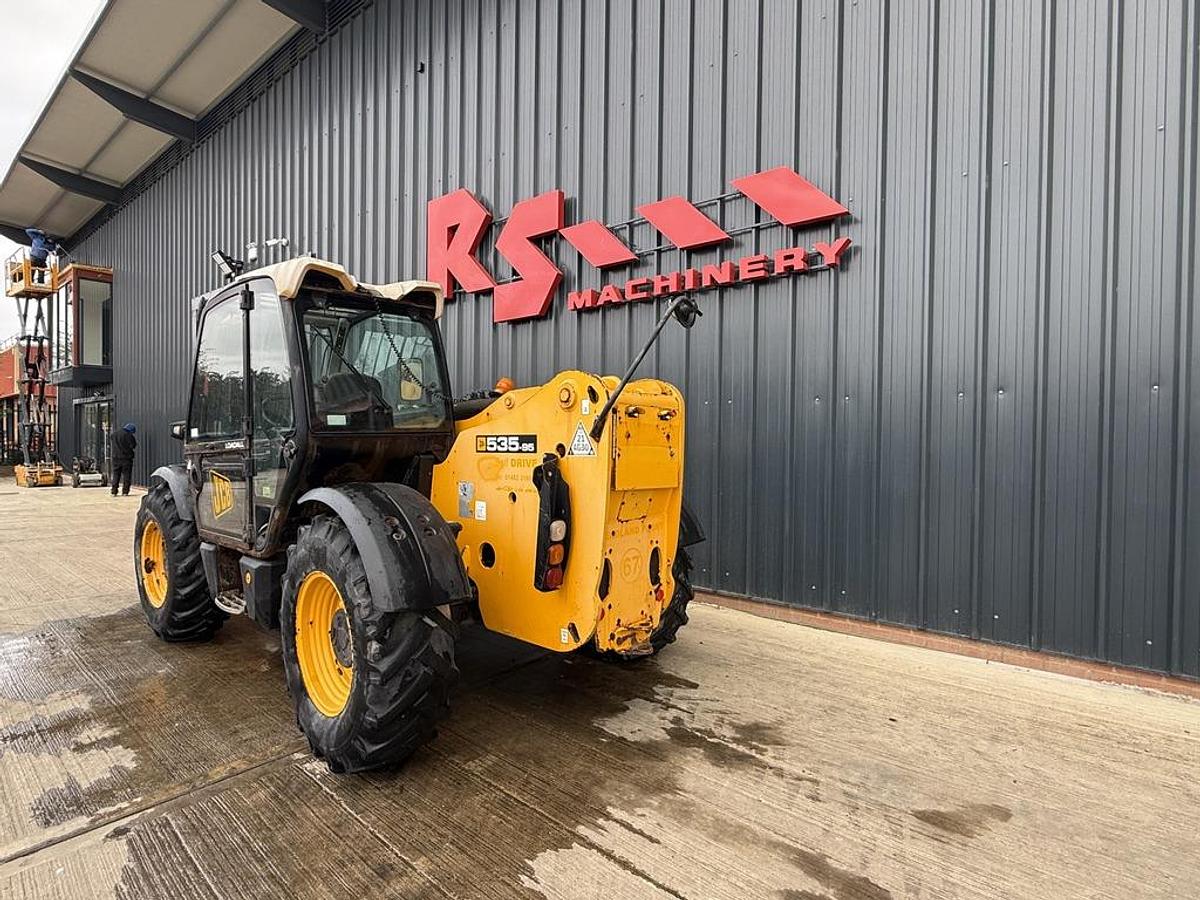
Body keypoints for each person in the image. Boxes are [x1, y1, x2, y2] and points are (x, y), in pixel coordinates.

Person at [111, 423, 137, 496]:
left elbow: (112, 439)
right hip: (126, 458)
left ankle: (114, 491)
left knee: (116, 475)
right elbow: (133, 445)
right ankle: (125, 492)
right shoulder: (129, 435)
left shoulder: (115, 434)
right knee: (126, 475)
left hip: (115, 458)